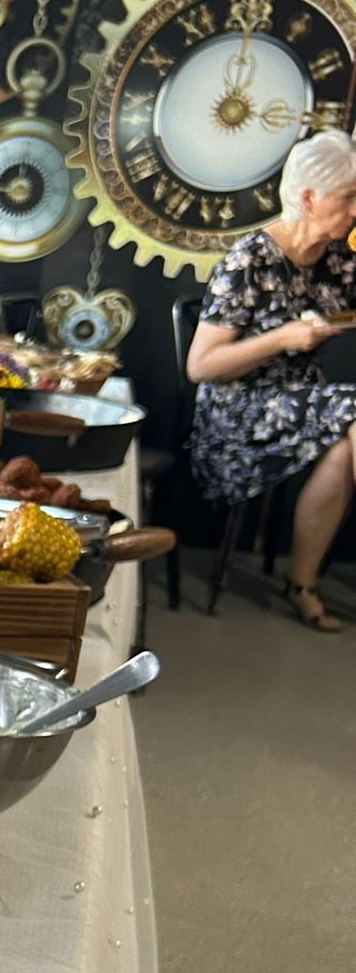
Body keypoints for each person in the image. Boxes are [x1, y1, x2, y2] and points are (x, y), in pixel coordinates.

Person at [186, 131, 356, 632]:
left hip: (305, 405)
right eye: (348, 198)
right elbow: (201, 367)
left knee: (345, 446)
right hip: (236, 414)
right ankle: (302, 583)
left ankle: (301, 582)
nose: (355, 211)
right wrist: (283, 336)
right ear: (308, 197)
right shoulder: (247, 261)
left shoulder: (338, 259)